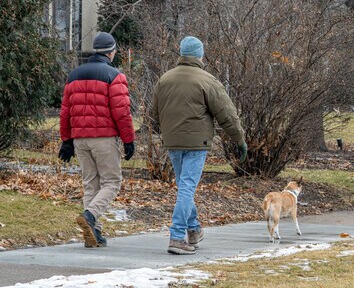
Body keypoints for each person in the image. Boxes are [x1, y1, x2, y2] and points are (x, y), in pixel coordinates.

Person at [153, 36, 247, 255]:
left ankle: (194, 229)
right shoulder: (207, 80)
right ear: (200, 55)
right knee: (187, 187)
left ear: (181, 54)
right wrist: (239, 140)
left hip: (172, 141)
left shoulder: (164, 79)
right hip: (197, 143)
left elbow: (155, 114)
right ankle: (177, 236)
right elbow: (227, 115)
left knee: (184, 185)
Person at [58, 32, 135, 248]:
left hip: (80, 139)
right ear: (111, 51)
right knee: (112, 181)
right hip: (103, 137)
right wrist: (128, 140)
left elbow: (65, 112)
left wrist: (66, 140)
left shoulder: (73, 75)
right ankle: (90, 216)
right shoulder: (114, 75)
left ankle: (93, 234)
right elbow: (122, 113)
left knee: (91, 183)